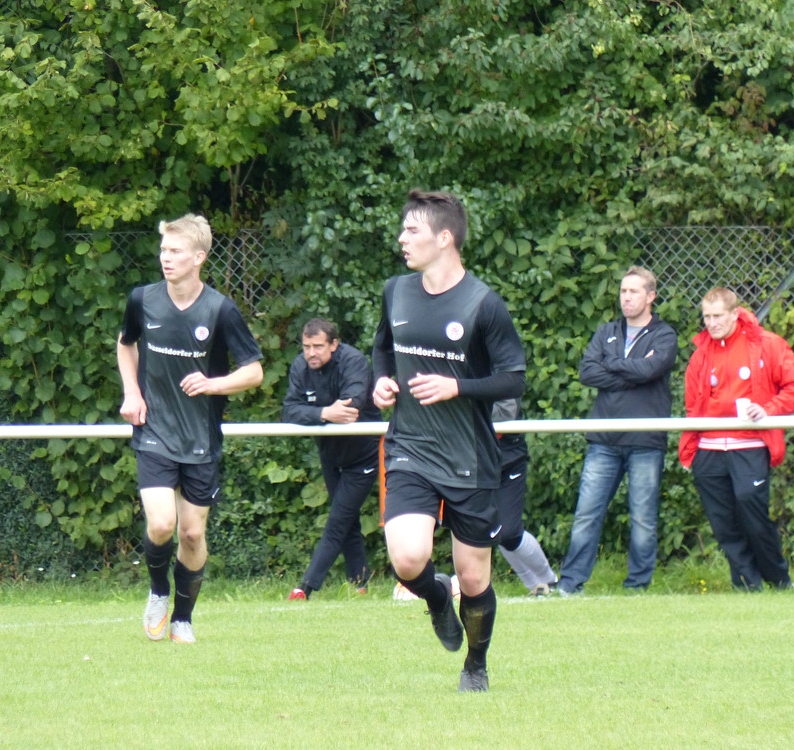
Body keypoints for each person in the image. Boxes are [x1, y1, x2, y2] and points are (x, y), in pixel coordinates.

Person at [372, 189, 526, 693]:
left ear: (444, 238)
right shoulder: (395, 291)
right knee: (407, 559)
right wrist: (381, 381)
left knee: (475, 578)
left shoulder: (484, 304)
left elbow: (513, 379)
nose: (402, 238)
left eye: (412, 230)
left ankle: (475, 666)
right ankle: (438, 597)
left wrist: (457, 387)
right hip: (410, 448)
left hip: (470, 457)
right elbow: (382, 347)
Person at [117, 213, 264, 644]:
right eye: (163, 249)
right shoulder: (142, 299)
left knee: (192, 533)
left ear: (198, 258)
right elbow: (126, 345)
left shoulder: (220, 309)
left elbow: (254, 372)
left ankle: (183, 618)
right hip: (155, 431)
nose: (165, 257)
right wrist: (132, 393)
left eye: (175, 251)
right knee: (162, 524)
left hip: (201, 438)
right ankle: (158, 592)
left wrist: (213, 384)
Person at [557, 266, 678, 596]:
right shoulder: (607, 331)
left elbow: (652, 369)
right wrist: (634, 374)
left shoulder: (664, 335)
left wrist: (611, 365)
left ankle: (637, 587)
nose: (626, 297)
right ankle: (569, 585)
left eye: (634, 292)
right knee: (586, 515)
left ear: (651, 296)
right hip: (604, 441)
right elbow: (587, 372)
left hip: (645, 441)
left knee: (642, 519)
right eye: (623, 291)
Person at [679, 287, 794, 590]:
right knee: (722, 523)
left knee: (752, 511)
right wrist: (691, 450)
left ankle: (779, 580)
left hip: (750, 445)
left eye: (717, 316)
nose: (711, 323)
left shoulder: (767, 344)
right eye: (706, 317)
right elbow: (692, 406)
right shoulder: (701, 354)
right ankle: (747, 585)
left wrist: (767, 409)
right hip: (709, 449)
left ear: (735, 314)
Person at [281, 317, 382, 600]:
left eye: (318, 347)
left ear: (334, 344)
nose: (311, 353)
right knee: (347, 519)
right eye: (306, 347)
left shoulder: (353, 361)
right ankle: (360, 583)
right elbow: (289, 410)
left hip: (363, 453)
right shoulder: (300, 366)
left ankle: (305, 587)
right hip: (329, 452)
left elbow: (351, 406)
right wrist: (324, 413)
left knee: (338, 520)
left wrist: (315, 414)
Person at [493, 398, 560, 596]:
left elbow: (505, 412)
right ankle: (535, 588)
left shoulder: (503, 378)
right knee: (493, 531)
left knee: (509, 532)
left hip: (508, 460)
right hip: (473, 462)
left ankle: (550, 581)